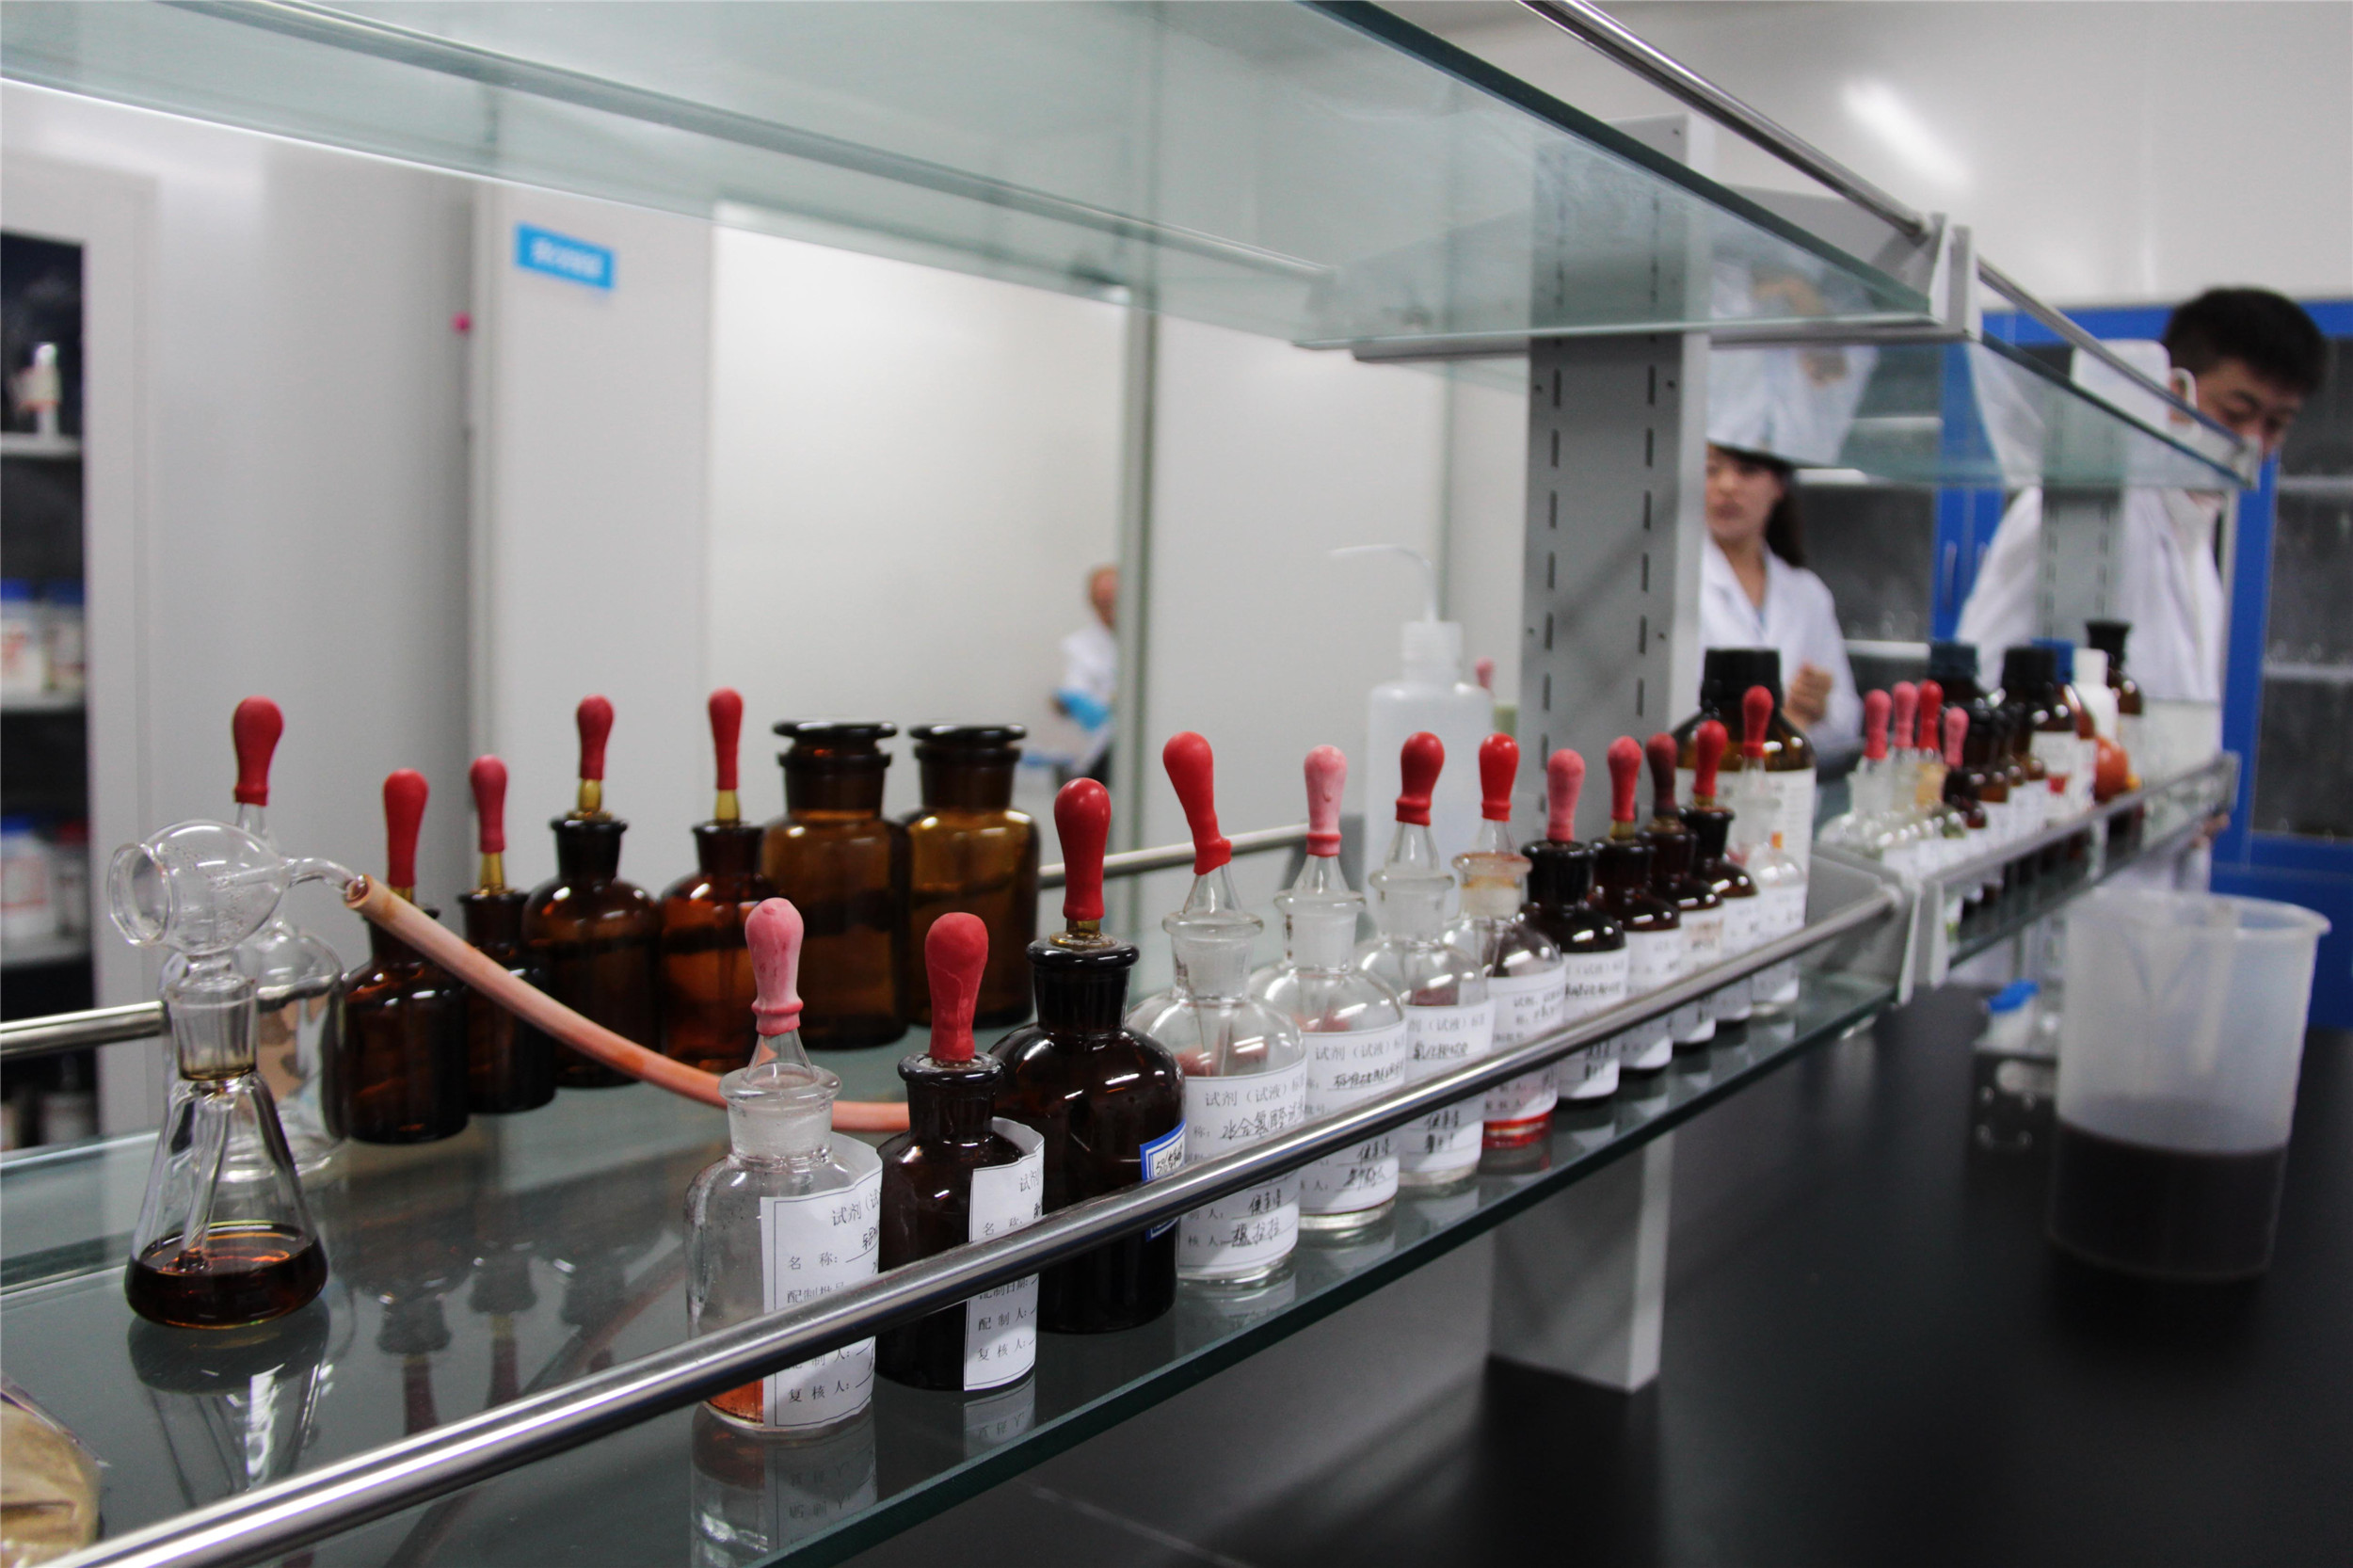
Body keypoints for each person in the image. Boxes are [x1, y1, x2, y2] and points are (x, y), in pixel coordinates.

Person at [1956, 289, 2325, 701]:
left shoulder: (2194, 535)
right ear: (2173, 391)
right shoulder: (2084, 510)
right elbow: (1977, 679)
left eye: (2276, 424)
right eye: (2236, 412)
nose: (2253, 442)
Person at [1700, 442, 1863, 754]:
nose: (1727, 485)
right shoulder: (1677, 585)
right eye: (1711, 469)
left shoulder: (1807, 594)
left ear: (1779, 485)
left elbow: (1847, 723)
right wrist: (1775, 728)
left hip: (1790, 780)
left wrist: (1819, 708)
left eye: (1748, 470)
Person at [1056, 564, 1118, 785]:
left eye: (1114, 599)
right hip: (1099, 756)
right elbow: (1075, 696)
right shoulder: (1077, 646)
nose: (1109, 606)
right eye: (1103, 600)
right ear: (1092, 601)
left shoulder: (1148, 642)